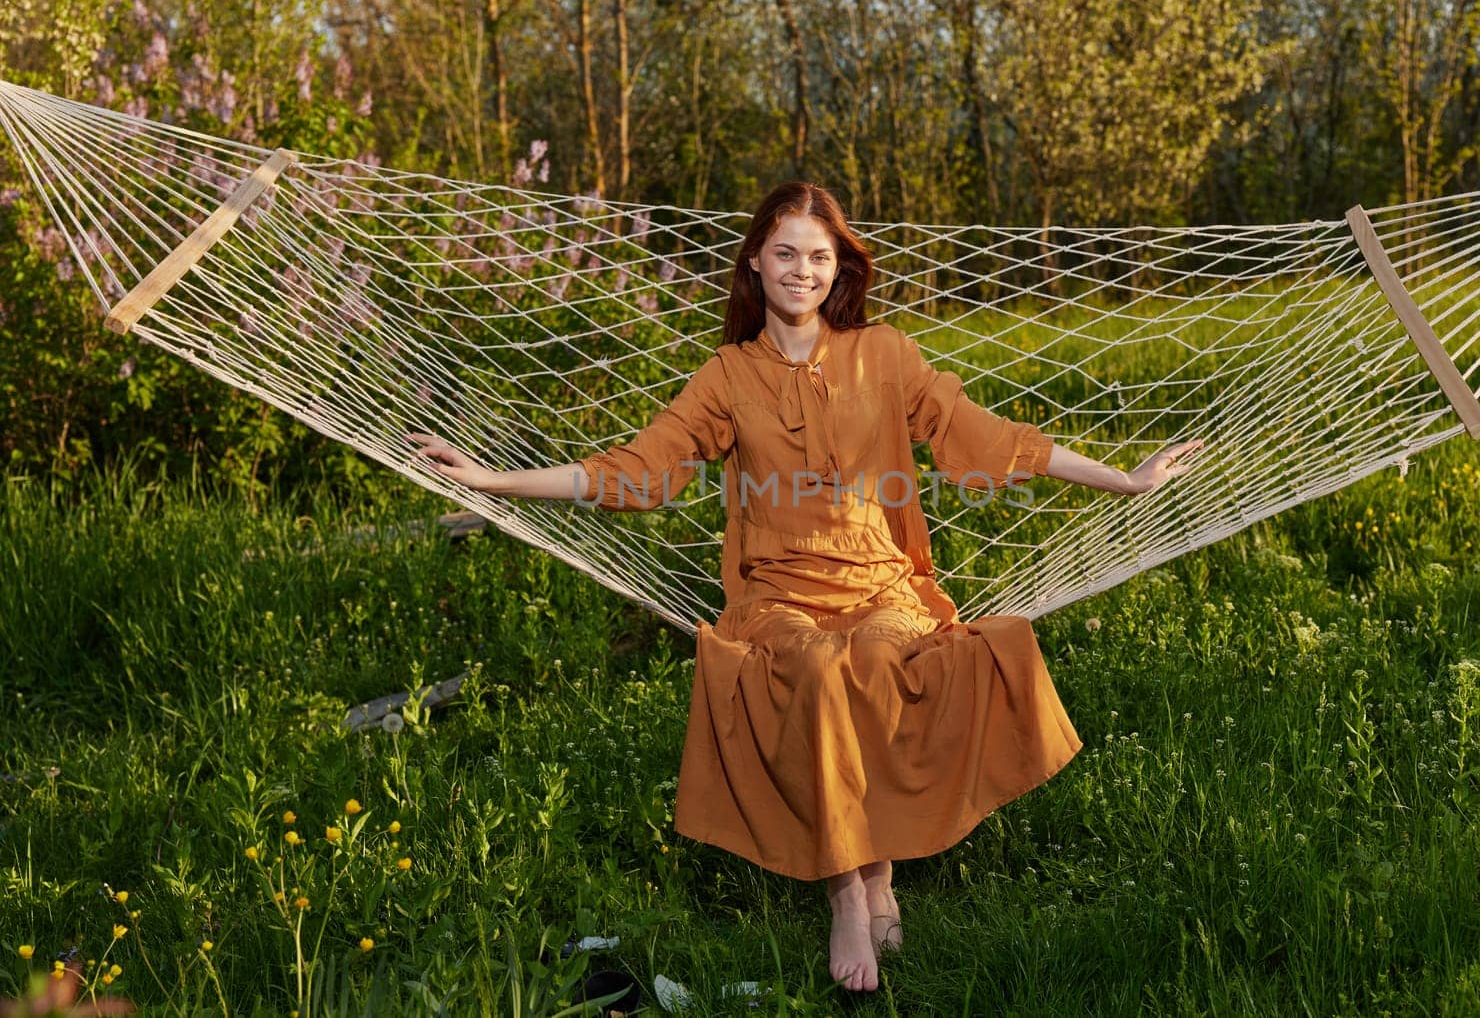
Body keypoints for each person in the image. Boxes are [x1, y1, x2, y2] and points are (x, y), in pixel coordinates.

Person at [407, 182, 1201, 994]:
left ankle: (877, 869)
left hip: (881, 579)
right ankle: (848, 888)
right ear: (756, 261)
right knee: (820, 671)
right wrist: (494, 480)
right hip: (777, 595)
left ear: (839, 268)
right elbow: (640, 468)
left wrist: (1122, 480)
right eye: (785, 253)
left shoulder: (883, 355)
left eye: (819, 256)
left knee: (885, 660)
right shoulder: (727, 375)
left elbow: (981, 433)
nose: (802, 270)